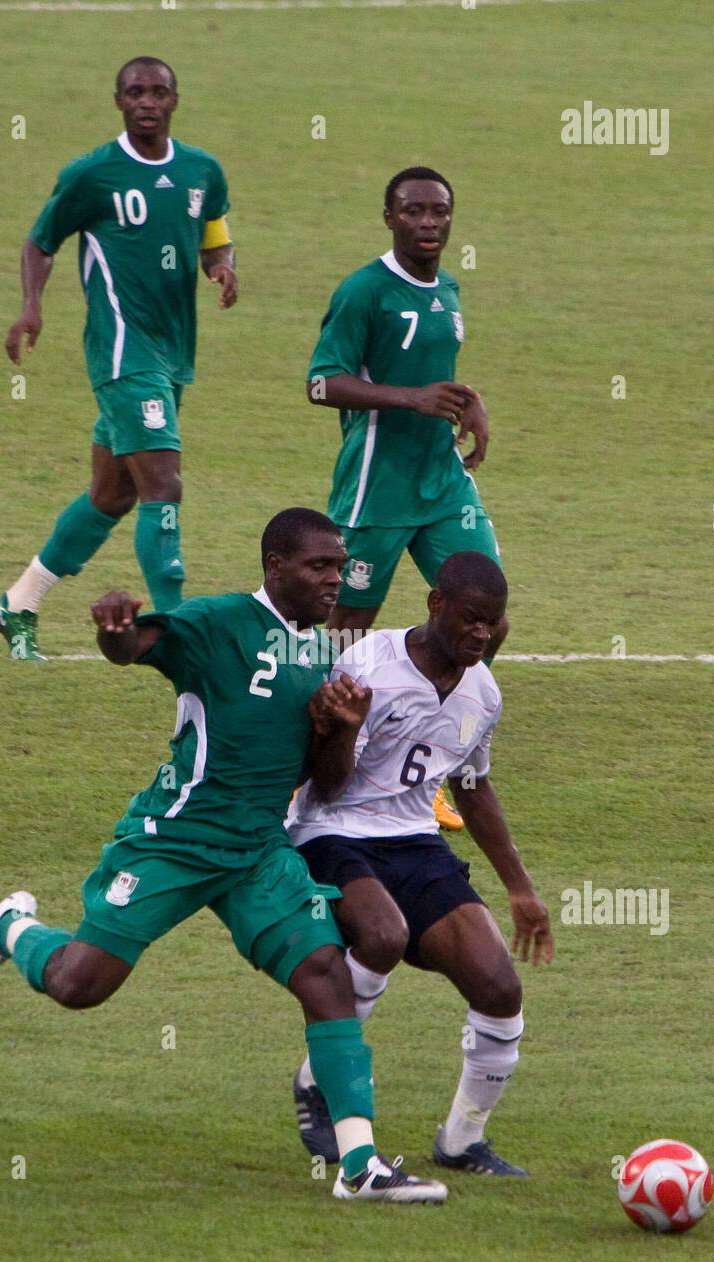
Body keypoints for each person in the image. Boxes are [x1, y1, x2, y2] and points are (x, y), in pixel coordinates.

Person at [0, 509, 446, 1204]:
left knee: (327, 976)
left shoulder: (322, 653)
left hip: (256, 853)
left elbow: (325, 783)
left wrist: (343, 728)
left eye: (339, 566)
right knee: (80, 986)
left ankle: (359, 1165)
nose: (336, 579)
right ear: (276, 566)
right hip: (175, 842)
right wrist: (114, 628)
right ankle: (9, 927)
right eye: (319, 567)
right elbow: (136, 646)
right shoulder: (219, 624)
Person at [286, 550, 553, 1176]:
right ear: (436, 605)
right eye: (470, 619)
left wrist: (520, 887)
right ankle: (317, 1082)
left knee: (500, 987)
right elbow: (323, 784)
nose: (481, 634)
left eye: (492, 623)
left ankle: (462, 1141)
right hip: (332, 830)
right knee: (383, 933)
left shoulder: (482, 694)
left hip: (414, 840)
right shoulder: (369, 664)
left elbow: (471, 785)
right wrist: (346, 729)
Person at [0, 56, 237, 661]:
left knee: (111, 495)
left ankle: (17, 603)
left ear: (175, 99)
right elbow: (40, 241)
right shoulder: (92, 175)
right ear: (118, 101)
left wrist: (222, 267)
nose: (146, 101)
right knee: (163, 487)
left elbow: (213, 231)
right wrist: (30, 307)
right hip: (122, 352)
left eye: (157, 91)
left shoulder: (203, 170)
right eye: (134, 92)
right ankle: (179, 632)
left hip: (173, 352)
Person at [306, 166, 504, 830]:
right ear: (390, 218)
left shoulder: (447, 287)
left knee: (490, 615)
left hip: (442, 483)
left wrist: (465, 401)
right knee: (344, 636)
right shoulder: (364, 292)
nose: (427, 223)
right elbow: (319, 383)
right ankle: (318, 757)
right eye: (413, 211)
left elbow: (432, 372)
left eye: (438, 212)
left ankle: (439, 753)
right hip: (376, 489)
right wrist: (409, 400)